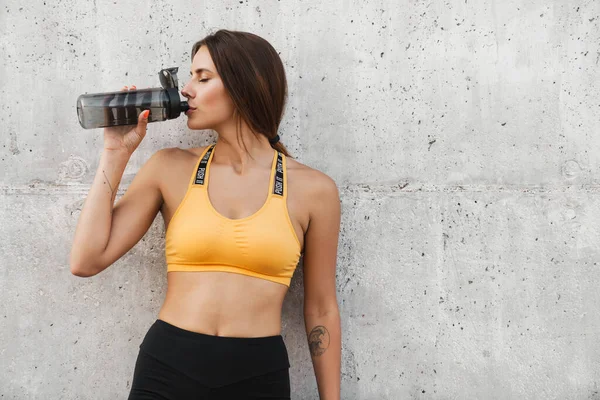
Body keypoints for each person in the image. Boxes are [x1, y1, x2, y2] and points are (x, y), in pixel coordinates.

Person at [69, 29, 341, 399]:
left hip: (258, 376)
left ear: (245, 85)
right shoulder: (170, 168)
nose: (187, 90)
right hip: (167, 369)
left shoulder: (315, 190)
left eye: (203, 77)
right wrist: (115, 153)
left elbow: (322, 308)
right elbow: (85, 260)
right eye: (191, 77)